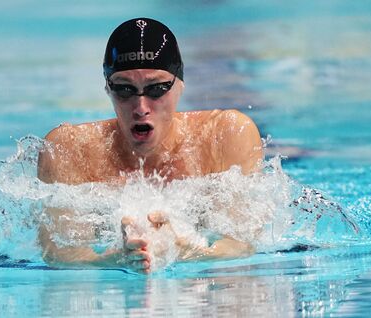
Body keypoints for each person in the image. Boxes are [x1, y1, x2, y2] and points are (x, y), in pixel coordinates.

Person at [37, 18, 263, 273]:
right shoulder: (70, 150)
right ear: (107, 89)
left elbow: (242, 245)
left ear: (180, 85)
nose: (141, 107)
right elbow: (58, 254)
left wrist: (189, 252)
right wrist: (108, 262)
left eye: (156, 89)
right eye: (124, 89)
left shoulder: (224, 137)